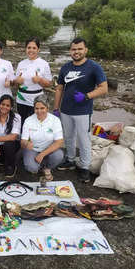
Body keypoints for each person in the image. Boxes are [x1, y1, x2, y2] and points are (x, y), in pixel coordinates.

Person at [53, 37, 108, 183]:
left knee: (84, 140)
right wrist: (56, 108)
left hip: (83, 111)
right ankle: (70, 160)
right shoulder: (65, 68)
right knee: (69, 137)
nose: (76, 52)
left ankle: (84, 167)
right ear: (70, 51)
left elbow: (104, 88)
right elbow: (59, 89)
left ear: (85, 50)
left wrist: (86, 96)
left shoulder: (94, 67)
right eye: (73, 49)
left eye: (79, 49)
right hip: (66, 110)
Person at [20, 94, 64, 181]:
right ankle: (39, 165)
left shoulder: (55, 120)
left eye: (42, 108)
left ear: (47, 108)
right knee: (31, 168)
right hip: (33, 149)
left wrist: (42, 154)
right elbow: (23, 141)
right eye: (36, 108)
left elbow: (59, 142)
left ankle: (47, 168)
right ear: (34, 109)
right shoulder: (28, 120)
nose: (39, 111)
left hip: (48, 149)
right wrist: (26, 143)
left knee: (59, 155)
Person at [14, 37, 53, 126]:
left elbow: (49, 84)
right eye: (29, 48)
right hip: (21, 99)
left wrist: (40, 80)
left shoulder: (44, 64)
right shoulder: (21, 64)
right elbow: (15, 85)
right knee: (23, 124)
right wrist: (17, 81)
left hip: (37, 100)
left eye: (34, 48)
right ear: (26, 49)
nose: (31, 50)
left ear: (38, 50)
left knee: (36, 124)